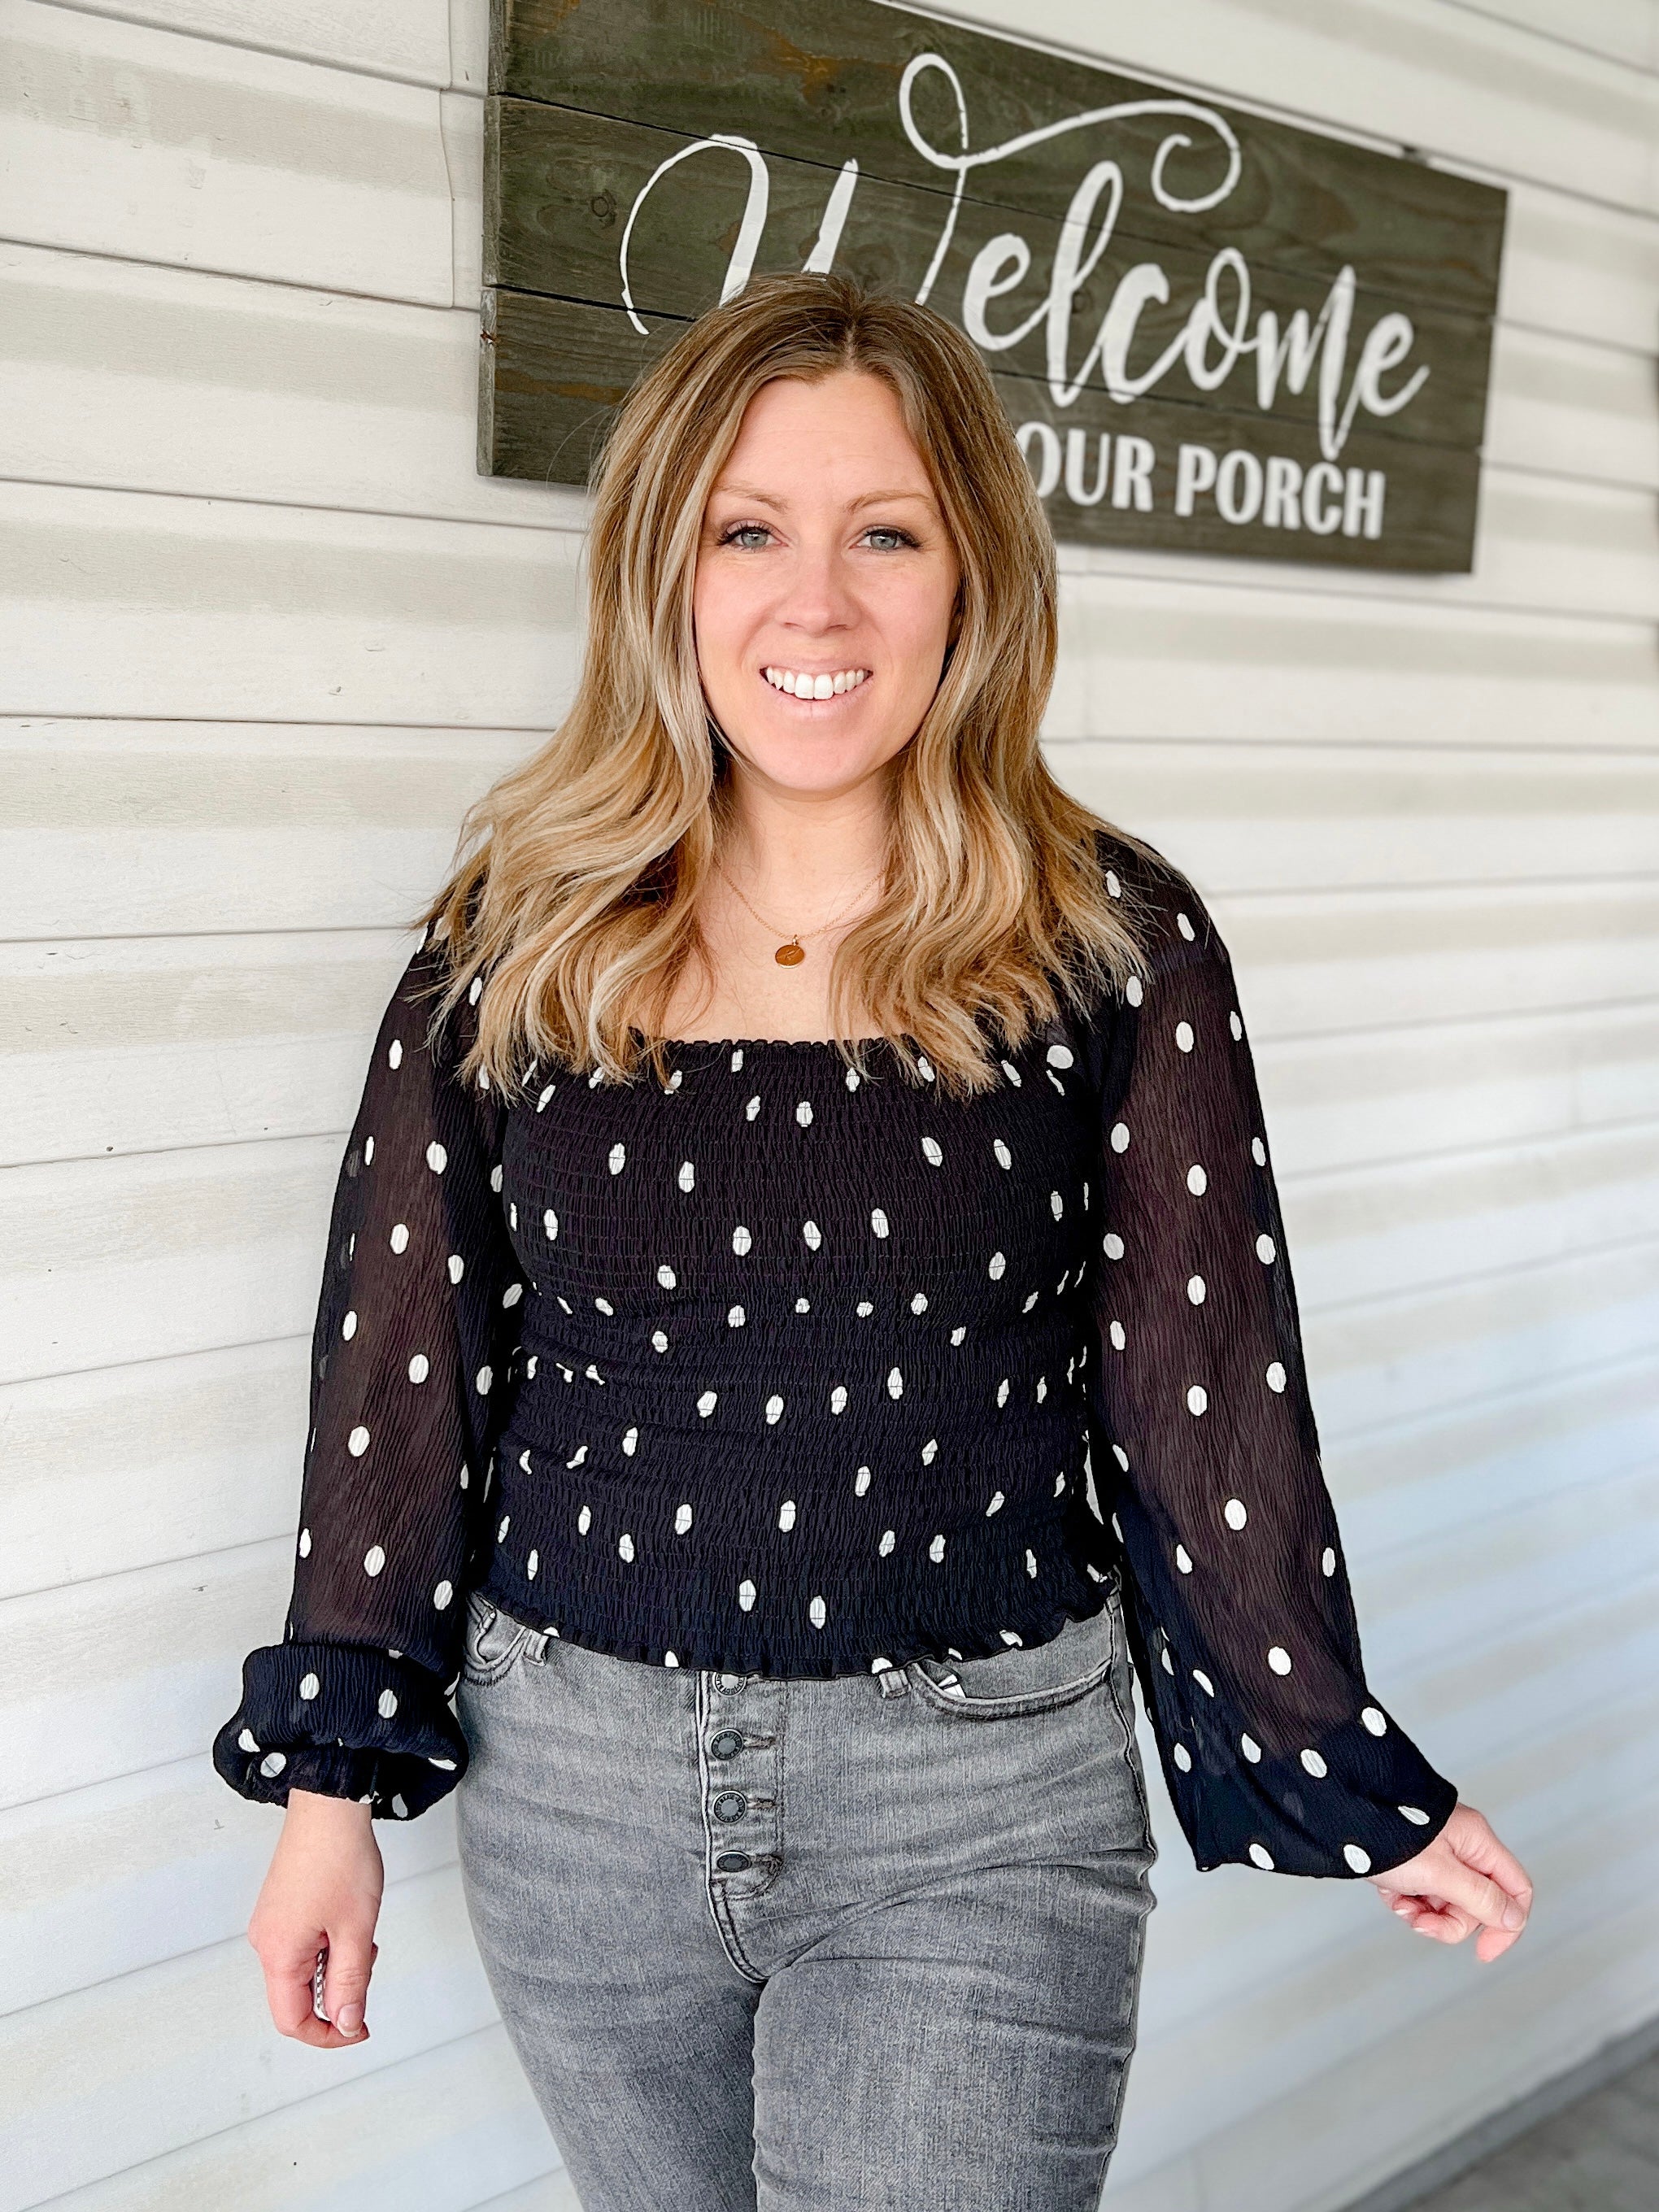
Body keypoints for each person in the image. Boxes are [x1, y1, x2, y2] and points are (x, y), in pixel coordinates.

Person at [214, 271, 1532, 2211]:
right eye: (749, 531)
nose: (812, 604)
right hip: (570, 1789)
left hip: (975, 1797)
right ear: (667, 574)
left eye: (883, 534)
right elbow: (403, 1367)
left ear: (970, 579)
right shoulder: (519, 926)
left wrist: (1332, 1762)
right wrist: (332, 1794)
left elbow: (1200, 1394)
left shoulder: (1107, 940)